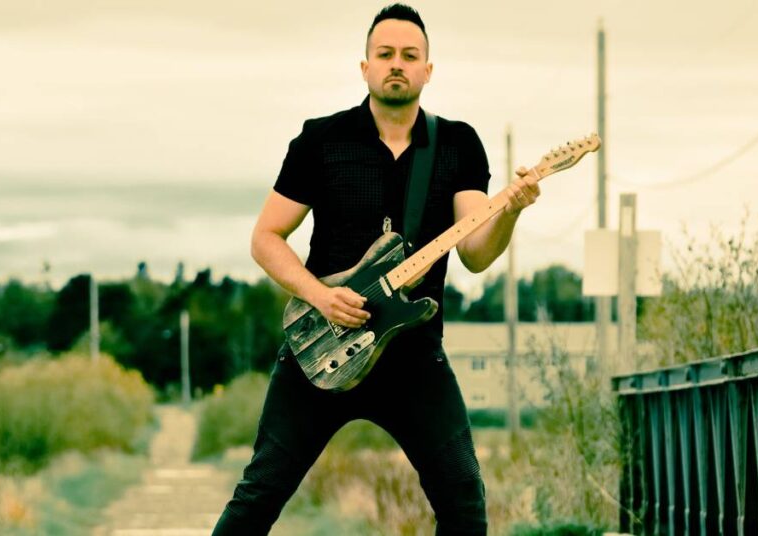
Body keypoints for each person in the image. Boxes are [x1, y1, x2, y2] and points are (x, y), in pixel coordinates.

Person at [212, 4, 540, 535]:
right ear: (364, 66)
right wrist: (319, 295)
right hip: (321, 344)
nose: (397, 64)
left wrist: (513, 210)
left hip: (413, 355)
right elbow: (265, 238)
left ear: (427, 70)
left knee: (463, 500)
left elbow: (476, 253)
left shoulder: (457, 144)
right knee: (260, 492)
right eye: (384, 54)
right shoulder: (321, 140)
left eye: (410, 56)